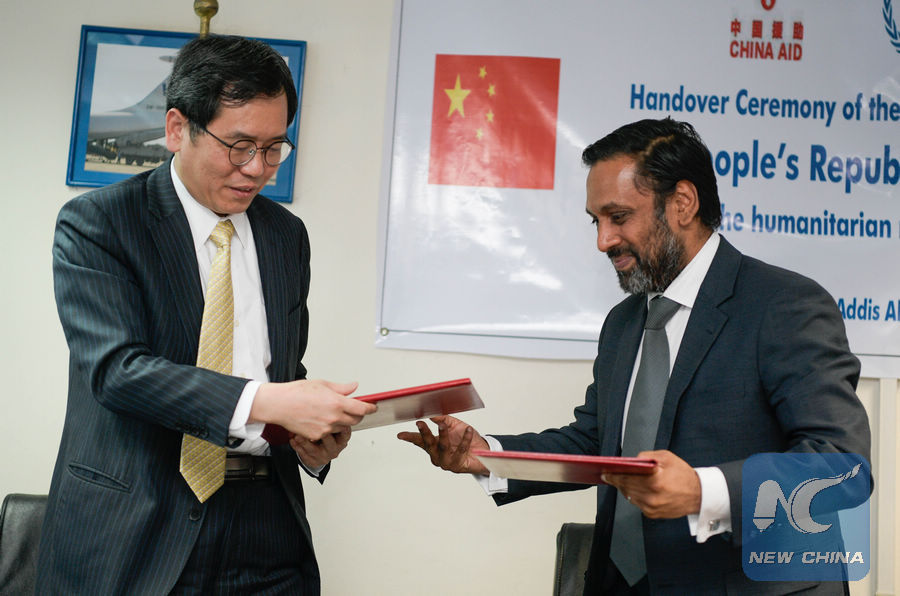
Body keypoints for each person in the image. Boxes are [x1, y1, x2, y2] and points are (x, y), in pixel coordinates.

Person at [399, 118, 871, 594]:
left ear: (682, 203)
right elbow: (597, 444)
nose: (603, 240)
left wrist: (703, 491)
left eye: (619, 216)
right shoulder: (623, 323)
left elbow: (842, 465)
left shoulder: (784, 305)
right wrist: (486, 456)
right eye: (596, 221)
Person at [38, 34, 375, 594]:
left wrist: (304, 435)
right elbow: (118, 371)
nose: (257, 169)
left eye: (274, 148)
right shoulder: (100, 223)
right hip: (136, 525)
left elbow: (279, 372)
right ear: (178, 128)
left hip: (265, 527)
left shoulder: (285, 235)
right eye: (239, 146)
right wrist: (270, 402)